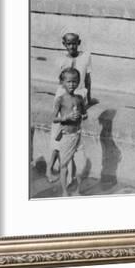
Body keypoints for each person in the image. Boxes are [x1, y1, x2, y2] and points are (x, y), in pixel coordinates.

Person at [46, 32, 92, 183]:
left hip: (79, 97)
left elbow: (87, 78)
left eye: (74, 43)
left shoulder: (86, 57)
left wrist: (88, 99)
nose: (72, 46)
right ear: (64, 44)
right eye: (68, 44)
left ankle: (68, 173)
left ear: (79, 42)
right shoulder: (60, 59)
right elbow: (60, 81)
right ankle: (49, 169)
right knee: (57, 136)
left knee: (73, 136)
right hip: (64, 97)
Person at [52, 67, 88, 196]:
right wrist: (66, 117)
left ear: (78, 82)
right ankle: (65, 192)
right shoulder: (60, 99)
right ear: (63, 83)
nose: (72, 84)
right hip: (66, 136)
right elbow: (53, 118)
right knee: (64, 165)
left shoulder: (79, 98)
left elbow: (85, 114)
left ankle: (78, 190)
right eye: (69, 81)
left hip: (78, 135)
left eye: (75, 81)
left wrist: (82, 115)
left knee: (82, 165)